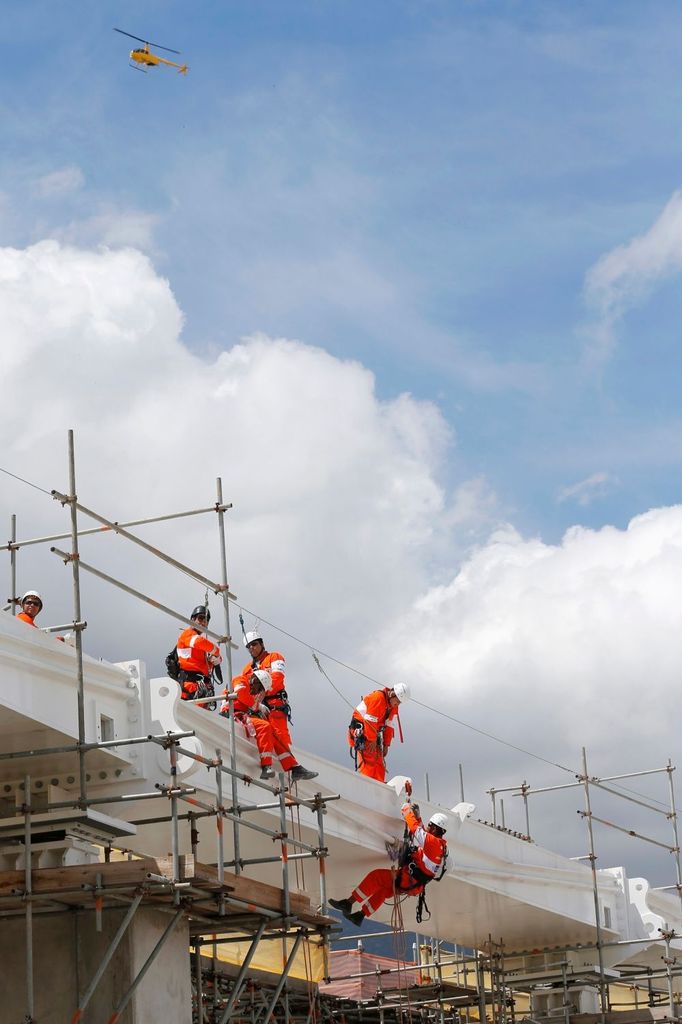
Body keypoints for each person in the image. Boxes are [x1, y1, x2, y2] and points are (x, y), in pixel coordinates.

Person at [329, 802, 449, 926]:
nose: (428, 828)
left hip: (408, 879)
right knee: (384, 891)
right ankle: (360, 915)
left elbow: (415, 830)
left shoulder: (433, 842)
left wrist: (406, 810)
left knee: (376, 877)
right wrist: (418, 818)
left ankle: (348, 903)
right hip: (414, 885)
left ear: (435, 828)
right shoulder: (441, 847)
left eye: (430, 825)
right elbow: (423, 835)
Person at [220, 668, 318, 782]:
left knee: (273, 732)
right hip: (231, 715)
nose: (258, 692)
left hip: (241, 715)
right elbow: (240, 693)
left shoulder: (250, 689)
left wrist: (257, 707)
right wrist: (257, 706)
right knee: (264, 726)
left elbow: (246, 701)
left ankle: (294, 767)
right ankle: (266, 766)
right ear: (255, 681)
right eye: (259, 688)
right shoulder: (240, 679)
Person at [234, 631, 303, 764]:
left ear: (262, 643)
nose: (252, 648)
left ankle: (289, 765)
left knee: (281, 737)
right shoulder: (247, 668)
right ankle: (266, 762)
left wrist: (263, 690)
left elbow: (278, 676)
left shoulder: (274, 657)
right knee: (260, 733)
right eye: (249, 646)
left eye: (254, 644)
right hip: (257, 708)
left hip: (274, 705)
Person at [348, 684, 410, 782]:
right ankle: (368, 785)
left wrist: (386, 744)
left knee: (379, 763)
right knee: (370, 761)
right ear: (392, 694)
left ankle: (378, 786)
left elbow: (389, 725)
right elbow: (370, 720)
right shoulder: (378, 698)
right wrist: (371, 739)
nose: (397, 705)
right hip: (364, 733)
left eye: (399, 703)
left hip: (372, 733)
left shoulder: (392, 706)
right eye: (397, 701)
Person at [176, 605, 222, 710]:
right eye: (200, 618)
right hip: (190, 686)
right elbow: (199, 642)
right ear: (193, 619)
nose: (203, 622)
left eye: (206, 620)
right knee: (191, 719)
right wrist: (216, 652)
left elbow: (201, 664)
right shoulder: (187, 634)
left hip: (200, 688)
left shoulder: (198, 647)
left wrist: (213, 661)